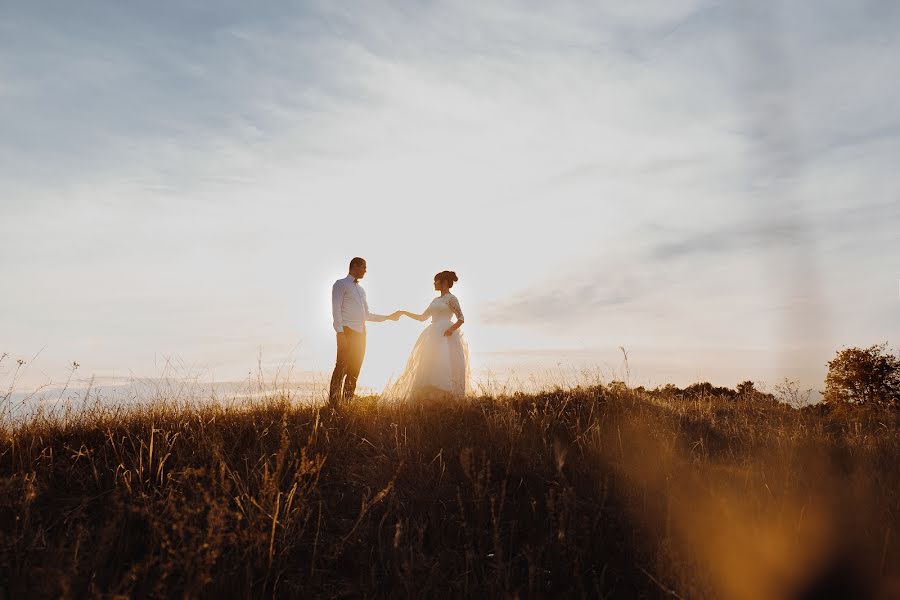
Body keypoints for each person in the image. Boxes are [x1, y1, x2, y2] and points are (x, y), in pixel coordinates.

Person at [383, 270, 471, 401]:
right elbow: (422, 317)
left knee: (444, 364)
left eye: (436, 281)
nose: (434, 283)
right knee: (429, 364)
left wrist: (450, 330)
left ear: (445, 282)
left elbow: (461, 318)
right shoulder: (435, 300)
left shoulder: (452, 299)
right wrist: (403, 312)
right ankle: (428, 400)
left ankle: (445, 400)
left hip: (446, 336)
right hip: (433, 334)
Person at [329, 257, 399, 407]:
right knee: (341, 367)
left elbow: (367, 315)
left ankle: (347, 402)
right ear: (355, 266)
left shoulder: (361, 290)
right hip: (347, 332)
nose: (365, 270)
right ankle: (334, 404)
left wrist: (388, 317)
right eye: (364, 267)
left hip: (361, 334)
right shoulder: (340, 284)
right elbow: (336, 310)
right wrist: (340, 333)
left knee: (355, 369)